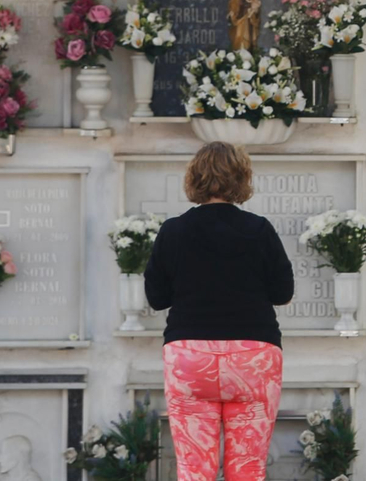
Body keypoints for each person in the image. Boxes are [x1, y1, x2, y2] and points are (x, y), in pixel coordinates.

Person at [145, 142, 294, 481]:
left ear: (193, 179)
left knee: (194, 469)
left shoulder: (173, 230)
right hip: (253, 357)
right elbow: (283, 292)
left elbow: (157, 298)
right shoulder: (260, 230)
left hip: (190, 358)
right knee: (249, 468)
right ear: (242, 179)